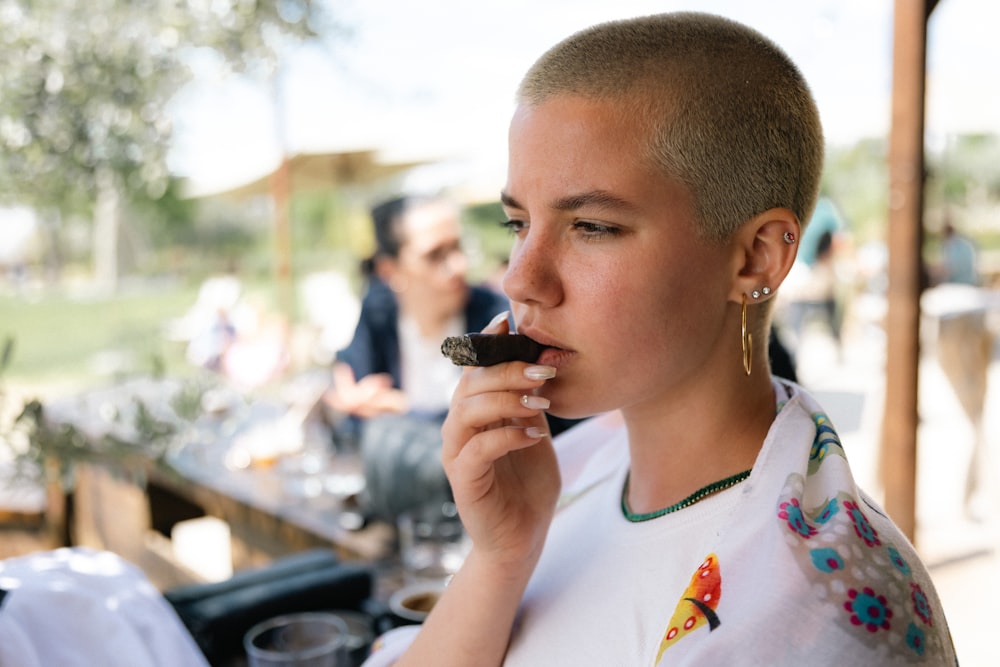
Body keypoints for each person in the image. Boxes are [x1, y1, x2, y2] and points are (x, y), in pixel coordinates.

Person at [366, 12, 956, 666]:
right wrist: (502, 555)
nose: (520, 278)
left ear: (755, 259)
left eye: (590, 226)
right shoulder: (584, 462)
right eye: (517, 223)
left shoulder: (813, 621)